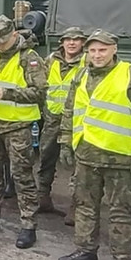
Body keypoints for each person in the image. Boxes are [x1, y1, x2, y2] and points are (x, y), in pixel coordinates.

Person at [57, 30, 131, 260]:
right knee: (85, 207)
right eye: (92, 50)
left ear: (114, 49)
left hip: (121, 160)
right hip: (87, 156)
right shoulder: (81, 74)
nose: (97, 55)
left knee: (122, 213)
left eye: (102, 50)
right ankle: (86, 251)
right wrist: (65, 142)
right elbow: (71, 110)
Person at [0, 16, 49, 249]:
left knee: (22, 176)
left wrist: (7, 94)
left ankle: (28, 225)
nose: (0, 45)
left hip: (17, 127)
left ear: (14, 35)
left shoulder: (29, 58)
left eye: (3, 41)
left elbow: (40, 92)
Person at [37, 26, 86, 224]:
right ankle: (43, 198)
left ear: (82, 43)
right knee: (46, 158)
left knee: (76, 166)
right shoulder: (51, 60)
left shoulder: (88, 62)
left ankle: (75, 207)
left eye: (76, 39)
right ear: (62, 42)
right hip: (52, 119)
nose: (72, 43)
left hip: (77, 122)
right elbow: (41, 85)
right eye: (68, 39)